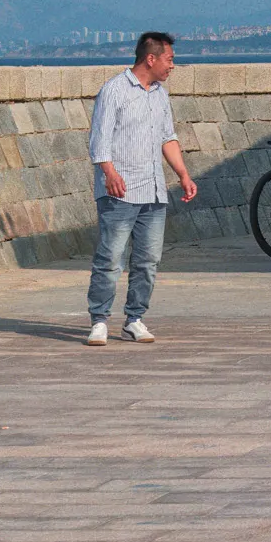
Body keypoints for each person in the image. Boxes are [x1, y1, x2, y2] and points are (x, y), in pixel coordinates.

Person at [84, 31, 198, 346]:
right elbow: (99, 140)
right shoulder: (114, 90)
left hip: (154, 191)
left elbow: (167, 137)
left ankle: (134, 318)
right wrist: (109, 172)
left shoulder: (160, 94)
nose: (172, 65)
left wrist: (183, 175)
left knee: (148, 259)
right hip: (120, 191)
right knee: (110, 258)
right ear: (151, 58)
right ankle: (99, 320)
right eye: (169, 59)